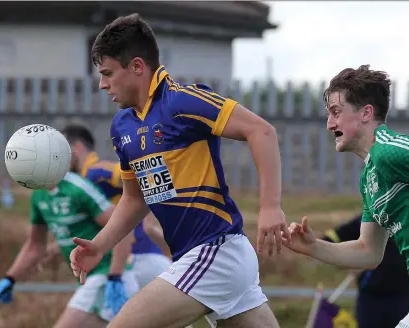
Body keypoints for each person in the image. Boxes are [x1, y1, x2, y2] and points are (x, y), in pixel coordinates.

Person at [69, 13, 290, 328]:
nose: (102, 84)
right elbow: (134, 199)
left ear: (136, 66)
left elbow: (262, 131)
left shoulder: (183, 102)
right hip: (202, 258)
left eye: (107, 73)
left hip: (216, 251)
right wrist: (100, 245)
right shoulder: (123, 126)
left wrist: (270, 206)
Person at [283, 65, 409, 328]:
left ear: (366, 113)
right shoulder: (369, 177)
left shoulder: (388, 149)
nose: (329, 123)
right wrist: (313, 247)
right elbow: (368, 252)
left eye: (336, 112)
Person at [0, 172, 139, 328]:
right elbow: (35, 246)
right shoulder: (38, 195)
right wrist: (10, 278)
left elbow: (124, 226)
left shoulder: (77, 188)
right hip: (88, 280)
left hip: (105, 277)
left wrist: (115, 276)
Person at [61, 123, 173, 289]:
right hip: (132, 260)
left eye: (61, 150)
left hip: (140, 258)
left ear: (76, 148)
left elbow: (149, 177)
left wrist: (150, 220)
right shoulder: (80, 182)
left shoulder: (96, 172)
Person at [321, 213, 409, 328]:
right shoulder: (367, 221)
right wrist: (350, 263)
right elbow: (329, 238)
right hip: (370, 299)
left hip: (401, 297)